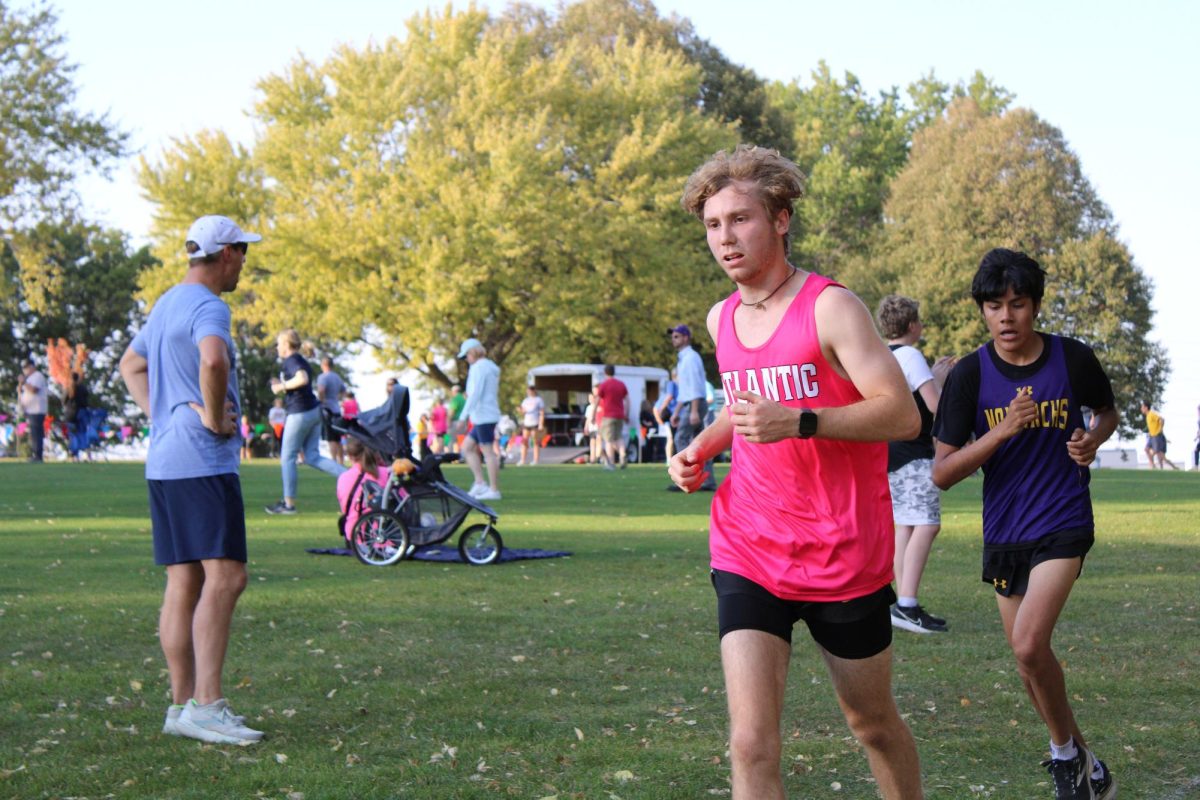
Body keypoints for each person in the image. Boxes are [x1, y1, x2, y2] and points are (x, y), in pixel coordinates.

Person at [669, 145, 923, 799]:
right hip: (749, 543)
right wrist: (700, 447)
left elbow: (901, 416)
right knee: (751, 745)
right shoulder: (721, 317)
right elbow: (746, 405)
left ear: (780, 219)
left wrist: (802, 421)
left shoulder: (831, 307)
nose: (725, 238)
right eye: (713, 225)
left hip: (843, 552)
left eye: (740, 219)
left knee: (870, 723)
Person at [932, 248, 1118, 800]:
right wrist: (999, 432)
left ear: (1035, 305)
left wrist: (1094, 438)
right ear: (983, 311)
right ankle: (1089, 765)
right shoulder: (969, 375)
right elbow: (941, 472)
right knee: (1027, 664)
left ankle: (1065, 759)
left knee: (1030, 645)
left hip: (1063, 519)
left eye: (1017, 304)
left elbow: (1106, 412)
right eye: (995, 306)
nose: (1007, 317)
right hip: (1005, 531)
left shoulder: (1072, 359)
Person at [118, 213, 264, 745]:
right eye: (243, 251)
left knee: (185, 581)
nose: (245, 261)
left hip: (165, 461)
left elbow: (129, 366)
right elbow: (212, 358)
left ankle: (181, 707)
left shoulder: (166, 303)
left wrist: (162, 415)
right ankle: (207, 706)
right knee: (227, 577)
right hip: (201, 459)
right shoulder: (208, 306)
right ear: (226, 254)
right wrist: (208, 415)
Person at [875, 295, 956, 634]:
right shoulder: (911, 355)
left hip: (887, 454)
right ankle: (907, 604)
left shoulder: (880, 357)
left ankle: (901, 603)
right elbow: (936, 406)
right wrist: (940, 378)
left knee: (905, 526)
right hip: (914, 453)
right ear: (912, 326)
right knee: (926, 524)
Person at [265, 329, 346, 514]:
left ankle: (288, 505)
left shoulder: (291, 360)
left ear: (286, 345)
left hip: (300, 413)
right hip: (313, 411)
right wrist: (282, 385)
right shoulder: (299, 360)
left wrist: (281, 386)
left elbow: (302, 378)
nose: (277, 347)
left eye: (279, 343)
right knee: (312, 456)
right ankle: (349, 476)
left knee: (287, 458)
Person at [668, 325, 717, 492]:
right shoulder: (684, 358)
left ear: (686, 338)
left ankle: (687, 478)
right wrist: (676, 411)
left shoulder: (690, 358)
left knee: (681, 438)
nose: (673, 339)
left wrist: (694, 410)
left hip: (695, 404)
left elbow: (696, 387)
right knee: (699, 444)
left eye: (676, 336)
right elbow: (685, 389)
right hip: (692, 403)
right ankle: (704, 480)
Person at [457, 338, 502, 500]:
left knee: (488, 452)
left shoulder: (479, 368)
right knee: (467, 448)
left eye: (467, 355)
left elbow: (475, 394)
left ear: (473, 352)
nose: (466, 359)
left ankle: (494, 489)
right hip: (483, 415)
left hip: (484, 415)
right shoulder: (489, 367)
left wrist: (463, 416)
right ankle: (480, 483)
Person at [336, 437, 390, 542]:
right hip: (386, 536)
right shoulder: (386, 474)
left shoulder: (343, 478)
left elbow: (344, 509)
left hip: (354, 537)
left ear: (350, 456)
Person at [594, 364, 629, 470]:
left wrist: (592, 415)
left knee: (608, 440)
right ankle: (622, 454)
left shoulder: (604, 385)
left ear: (605, 373)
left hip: (608, 416)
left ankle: (611, 463)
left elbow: (597, 401)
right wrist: (626, 414)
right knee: (619, 437)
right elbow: (627, 400)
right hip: (620, 415)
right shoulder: (621, 384)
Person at [316, 357, 346, 465]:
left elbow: (321, 390)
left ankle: (333, 461)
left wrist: (321, 401)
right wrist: (337, 399)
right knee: (338, 438)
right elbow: (343, 391)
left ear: (323, 365)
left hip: (327, 410)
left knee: (331, 438)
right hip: (337, 409)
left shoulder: (323, 377)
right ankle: (341, 462)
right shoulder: (337, 377)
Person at [17, 358, 48, 462]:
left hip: (37, 410)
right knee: (33, 434)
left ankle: (38, 455)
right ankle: (35, 454)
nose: (25, 370)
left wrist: (24, 382)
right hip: (30, 410)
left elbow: (34, 390)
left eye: (26, 368)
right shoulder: (30, 378)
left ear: (32, 367)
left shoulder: (38, 376)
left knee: (37, 433)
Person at [1139, 400, 1177, 470]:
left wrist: (1160, 429)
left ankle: (1174, 467)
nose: (1141, 409)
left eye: (1142, 407)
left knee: (1160, 455)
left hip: (1157, 436)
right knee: (1146, 449)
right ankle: (1152, 465)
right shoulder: (1147, 416)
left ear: (1146, 408)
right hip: (1151, 436)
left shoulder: (1152, 414)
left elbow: (1162, 419)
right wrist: (1143, 430)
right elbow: (1150, 427)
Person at [655, 367, 679, 461]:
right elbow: (669, 397)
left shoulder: (678, 385)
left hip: (676, 415)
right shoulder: (672, 384)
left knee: (674, 438)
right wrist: (661, 411)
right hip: (672, 416)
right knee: (671, 438)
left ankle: (673, 458)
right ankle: (669, 459)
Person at [518, 384, 545, 465]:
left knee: (535, 441)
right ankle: (522, 460)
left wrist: (541, 424)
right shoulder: (525, 400)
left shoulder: (538, 400)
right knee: (524, 441)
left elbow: (541, 412)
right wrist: (520, 410)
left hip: (535, 422)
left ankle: (536, 460)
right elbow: (523, 411)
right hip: (527, 422)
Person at [447, 383, 466, 452]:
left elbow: (452, 411)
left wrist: (448, 421)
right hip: (463, 422)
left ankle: (449, 455)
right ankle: (462, 456)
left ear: (454, 391)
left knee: (450, 439)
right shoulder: (464, 399)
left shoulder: (455, 399)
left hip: (455, 422)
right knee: (461, 439)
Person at [583, 390, 601, 464]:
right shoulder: (588, 408)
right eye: (589, 398)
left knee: (598, 443)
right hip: (591, 428)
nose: (590, 400)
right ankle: (592, 459)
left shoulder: (598, 407)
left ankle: (598, 458)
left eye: (592, 398)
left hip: (597, 427)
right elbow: (587, 419)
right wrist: (586, 427)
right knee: (592, 443)